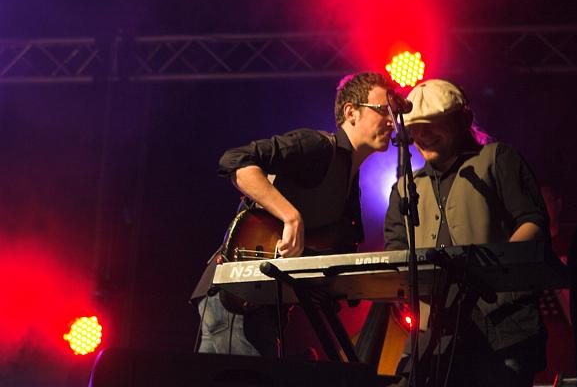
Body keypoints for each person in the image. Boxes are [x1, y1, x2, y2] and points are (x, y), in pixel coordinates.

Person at [191, 72, 407, 357]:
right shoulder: (318, 146)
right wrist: (291, 217)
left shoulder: (349, 181)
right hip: (236, 291)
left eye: (393, 113)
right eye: (382, 110)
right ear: (351, 113)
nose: (392, 121)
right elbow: (236, 162)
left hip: (266, 300)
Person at [384, 79, 549, 386]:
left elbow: (533, 222)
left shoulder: (497, 159)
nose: (423, 134)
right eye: (416, 127)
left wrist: (494, 275)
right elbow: (396, 255)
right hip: (434, 339)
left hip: (503, 327)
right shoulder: (405, 188)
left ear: (463, 120)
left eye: (433, 123)